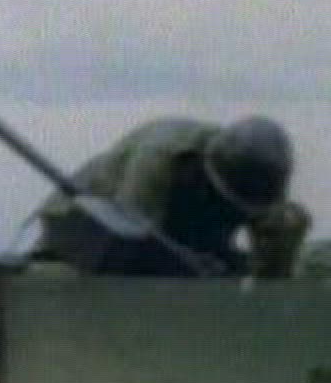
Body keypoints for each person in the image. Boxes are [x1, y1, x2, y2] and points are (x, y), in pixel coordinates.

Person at [33, 115, 311, 278]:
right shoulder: (161, 157)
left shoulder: (260, 182)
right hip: (85, 234)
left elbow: (273, 281)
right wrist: (187, 265)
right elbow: (132, 241)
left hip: (180, 245)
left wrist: (279, 249)